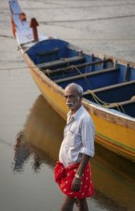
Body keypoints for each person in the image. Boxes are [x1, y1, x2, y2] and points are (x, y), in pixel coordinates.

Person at [54, 83, 95, 211]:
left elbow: (88, 150)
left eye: (72, 97)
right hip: (68, 167)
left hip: (76, 170)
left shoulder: (85, 120)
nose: (68, 100)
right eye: (66, 97)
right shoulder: (70, 115)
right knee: (81, 199)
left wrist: (78, 176)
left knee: (67, 203)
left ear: (80, 98)